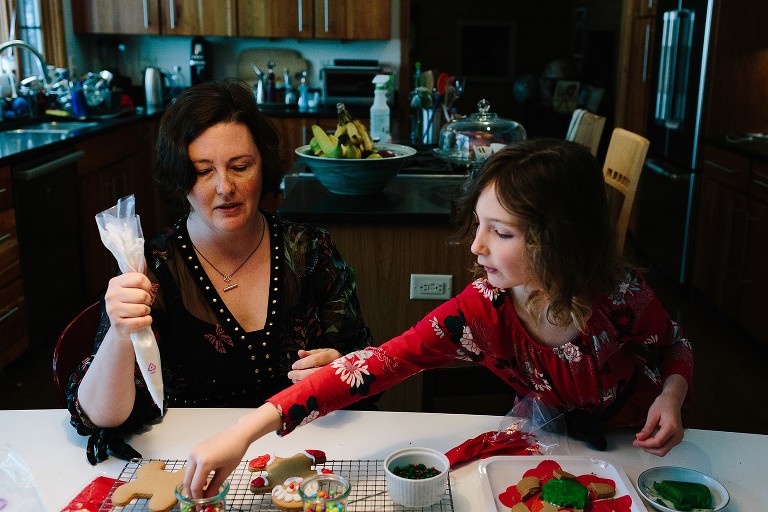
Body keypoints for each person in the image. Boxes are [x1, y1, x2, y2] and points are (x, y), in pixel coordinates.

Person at [182, 138, 693, 498]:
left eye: (501, 232)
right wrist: (246, 431)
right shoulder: (482, 310)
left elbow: (675, 346)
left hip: (638, 445)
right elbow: (376, 364)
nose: (476, 246)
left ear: (560, 240)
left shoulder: (621, 298)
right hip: (549, 438)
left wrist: (671, 397)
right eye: (478, 225)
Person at [66, 79, 373, 464]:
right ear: (180, 177)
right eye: (202, 171)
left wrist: (341, 370)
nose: (225, 187)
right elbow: (101, 418)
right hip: (191, 463)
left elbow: (368, 370)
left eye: (240, 166)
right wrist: (120, 330)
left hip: (305, 458)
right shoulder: (153, 267)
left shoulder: (311, 251)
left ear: (263, 166)